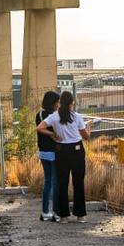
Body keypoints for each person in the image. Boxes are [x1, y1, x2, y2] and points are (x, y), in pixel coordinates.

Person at [37, 90, 90, 221]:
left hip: (61, 151)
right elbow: (86, 136)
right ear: (72, 103)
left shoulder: (54, 116)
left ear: (60, 103)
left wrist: (52, 134)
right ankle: (80, 215)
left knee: (62, 183)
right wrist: (89, 127)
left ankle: (63, 215)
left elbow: (40, 128)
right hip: (76, 150)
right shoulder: (77, 117)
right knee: (78, 183)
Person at [35, 90, 61, 222]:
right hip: (54, 152)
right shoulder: (54, 116)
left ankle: (45, 212)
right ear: (53, 103)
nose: (59, 104)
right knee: (56, 183)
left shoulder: (38, 115)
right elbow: (57, 133)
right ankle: (56, 212)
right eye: (57, 102)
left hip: (43, 152)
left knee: (47, 182)